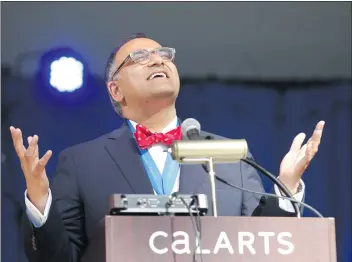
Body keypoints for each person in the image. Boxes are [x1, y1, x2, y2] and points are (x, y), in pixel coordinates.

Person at [10, 33, 325, 262]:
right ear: (115, 89)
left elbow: (262, 246)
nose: (158, 59)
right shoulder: (81, 162)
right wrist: (39, 201)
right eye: (140, 58)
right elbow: (58, 258)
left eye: (163, 54)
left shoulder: (229, 156)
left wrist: (286, 186)